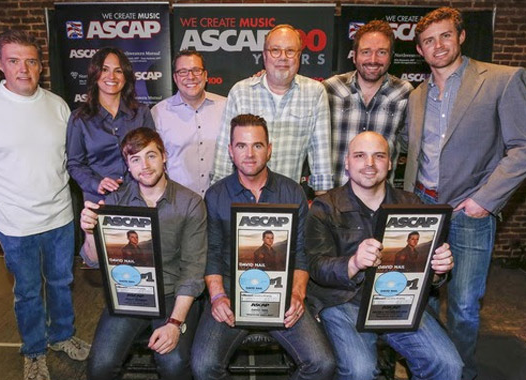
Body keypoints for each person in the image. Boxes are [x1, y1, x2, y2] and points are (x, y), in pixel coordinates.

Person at [0, 30, 89, 380]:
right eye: (14, 61)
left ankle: (62, 336)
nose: (23, 69)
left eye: (31, 60)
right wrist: (0, 203)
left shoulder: (57, 105)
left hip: (60, 215)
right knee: (28, 291)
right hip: (14, 225)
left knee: (61, 281)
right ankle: (33, 350)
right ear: (0, 64)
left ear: (41, 65)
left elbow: (66, 159)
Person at [402, 7, 526, 379]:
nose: (437, 46)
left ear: (460, 37)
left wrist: (483, 201)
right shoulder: (417, 95)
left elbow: (521, 148)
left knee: (464, 306)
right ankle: (428, 365)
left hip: (468, 212)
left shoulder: (502, 80)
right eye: (428, 41)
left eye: (444, 36)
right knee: (419, 297)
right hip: (422, 207)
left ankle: (460, 373)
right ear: (420, 52)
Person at [305, 131, 462, 380]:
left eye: (379, 156)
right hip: (343, 302)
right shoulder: (325, 207)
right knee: (360, 370)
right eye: (360, 156)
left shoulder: (412, 205)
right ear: (347, 163)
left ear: (390, 163)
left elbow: (429, 275)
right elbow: (315, 267)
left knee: (447, 365)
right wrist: (353, 263)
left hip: (399, 301)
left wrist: (438, 269)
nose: (369, 164)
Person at [191, 114, 335, 380]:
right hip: (231, 291)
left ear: (269, 150)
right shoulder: (216, 195)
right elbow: (210, 254)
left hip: (281, 292)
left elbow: (301, 253)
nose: (249, 154)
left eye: (257, 145)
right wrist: (217, 296)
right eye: (241, 146)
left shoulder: (292, 192)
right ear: (230, 151)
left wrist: (297, 294)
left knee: (321, 364)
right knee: (203, 366)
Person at [80, 128, 207, 380]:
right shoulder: (115, 201)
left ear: (164, 156)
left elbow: (193, 272)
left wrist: (174, 324)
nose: (145, 165)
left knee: (174, 363)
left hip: (173, 295)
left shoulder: (190, 203)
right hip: (130, 293)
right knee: (100, 366)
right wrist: (89, 232)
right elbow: (93, 260)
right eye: (135, 159)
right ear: (127, 166)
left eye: (151, 156)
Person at [211, 24, 333, 195]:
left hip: (289, 199)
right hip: (242, 197)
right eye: (275, 50)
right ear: (264, 55)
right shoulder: (241, 92)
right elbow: (225, 154)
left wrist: (323, 208)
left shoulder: (315, 93)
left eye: (290, 51)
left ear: (299, 56)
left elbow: (321, 158)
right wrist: (219, 198)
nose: (283, 57)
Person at [324, 20, 413, 187]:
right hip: (335, 198)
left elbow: (412, 145)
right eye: (366, 52)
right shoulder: (330, 88)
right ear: (354, 55)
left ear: (391, 56)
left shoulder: (405, 93)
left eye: (381, 52)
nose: (373, 60)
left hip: (382, 200)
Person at [67, 47, 155, 203]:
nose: (111, 76)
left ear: (126, 76)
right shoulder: (79, 118)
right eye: (105, 69)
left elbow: (153, 154)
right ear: (95, 75)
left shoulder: (142, 113)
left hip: (139, 198)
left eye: (118, 71)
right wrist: (96, 183)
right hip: (99, 200)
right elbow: (75, 164)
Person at [152, 49, 226, 196]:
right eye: (183, 72)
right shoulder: (158, 113)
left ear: (205, 75)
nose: (190, 77)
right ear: (175, 77)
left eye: (196, 70)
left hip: (220, 198)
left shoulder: (226, 106)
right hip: (178, 202)